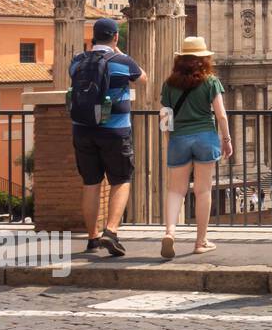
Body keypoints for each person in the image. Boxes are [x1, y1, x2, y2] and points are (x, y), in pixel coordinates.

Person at [70, 18, 144, 257]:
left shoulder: (76, 62)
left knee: (90, 183)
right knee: (121, 180)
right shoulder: (122, 61)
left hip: (82, 129)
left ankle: (92, 239)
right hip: (115, 130)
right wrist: (118, 51)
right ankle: (110, 231)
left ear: (93, 37)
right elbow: (144, 79)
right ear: (115, 37)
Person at [159, 37, 231, 258]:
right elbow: (220, 115)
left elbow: (164, 117)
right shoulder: (211, 82)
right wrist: (226, 140)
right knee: (203, 190)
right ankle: (200, 242)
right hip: (205, 138)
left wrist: (169, 140)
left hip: (179, 137)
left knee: (175, 190)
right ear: (204, 59)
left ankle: (170, 232)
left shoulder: (169, 84)